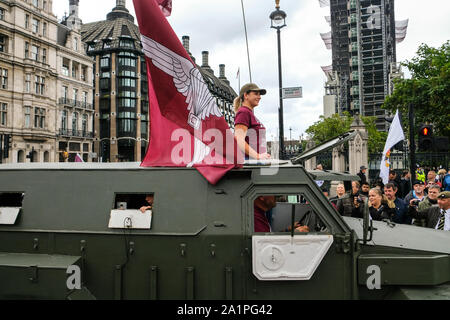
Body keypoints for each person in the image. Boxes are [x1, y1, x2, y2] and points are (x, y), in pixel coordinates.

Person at [233, 83, 271, 160]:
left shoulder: (249, 113)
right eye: (256, 94)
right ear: (246, 95)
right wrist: (258, 156)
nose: (259, 97)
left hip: (254, 160)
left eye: (259, 95)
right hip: (248, 161)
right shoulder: (243, 112)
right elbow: (239, 140)